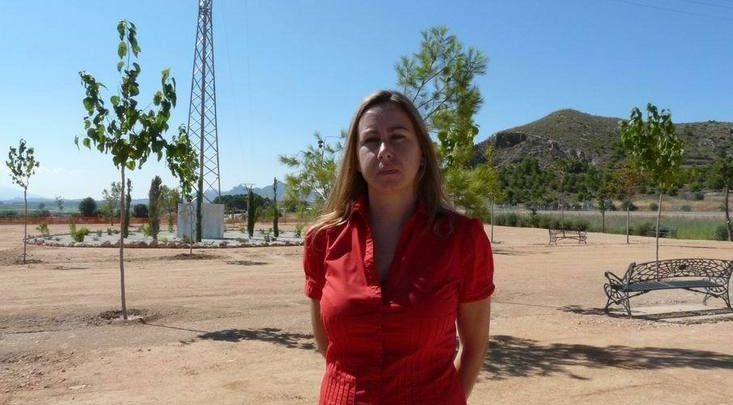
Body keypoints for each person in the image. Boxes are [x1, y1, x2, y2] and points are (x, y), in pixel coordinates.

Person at [303, 90, 495, 404]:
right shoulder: (322, 240)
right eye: (371, 140)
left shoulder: (463, 239)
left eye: (398, 137)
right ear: (355, 160)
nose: (385, 151)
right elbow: (330, 346)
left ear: (422, 154)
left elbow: (474, 346)